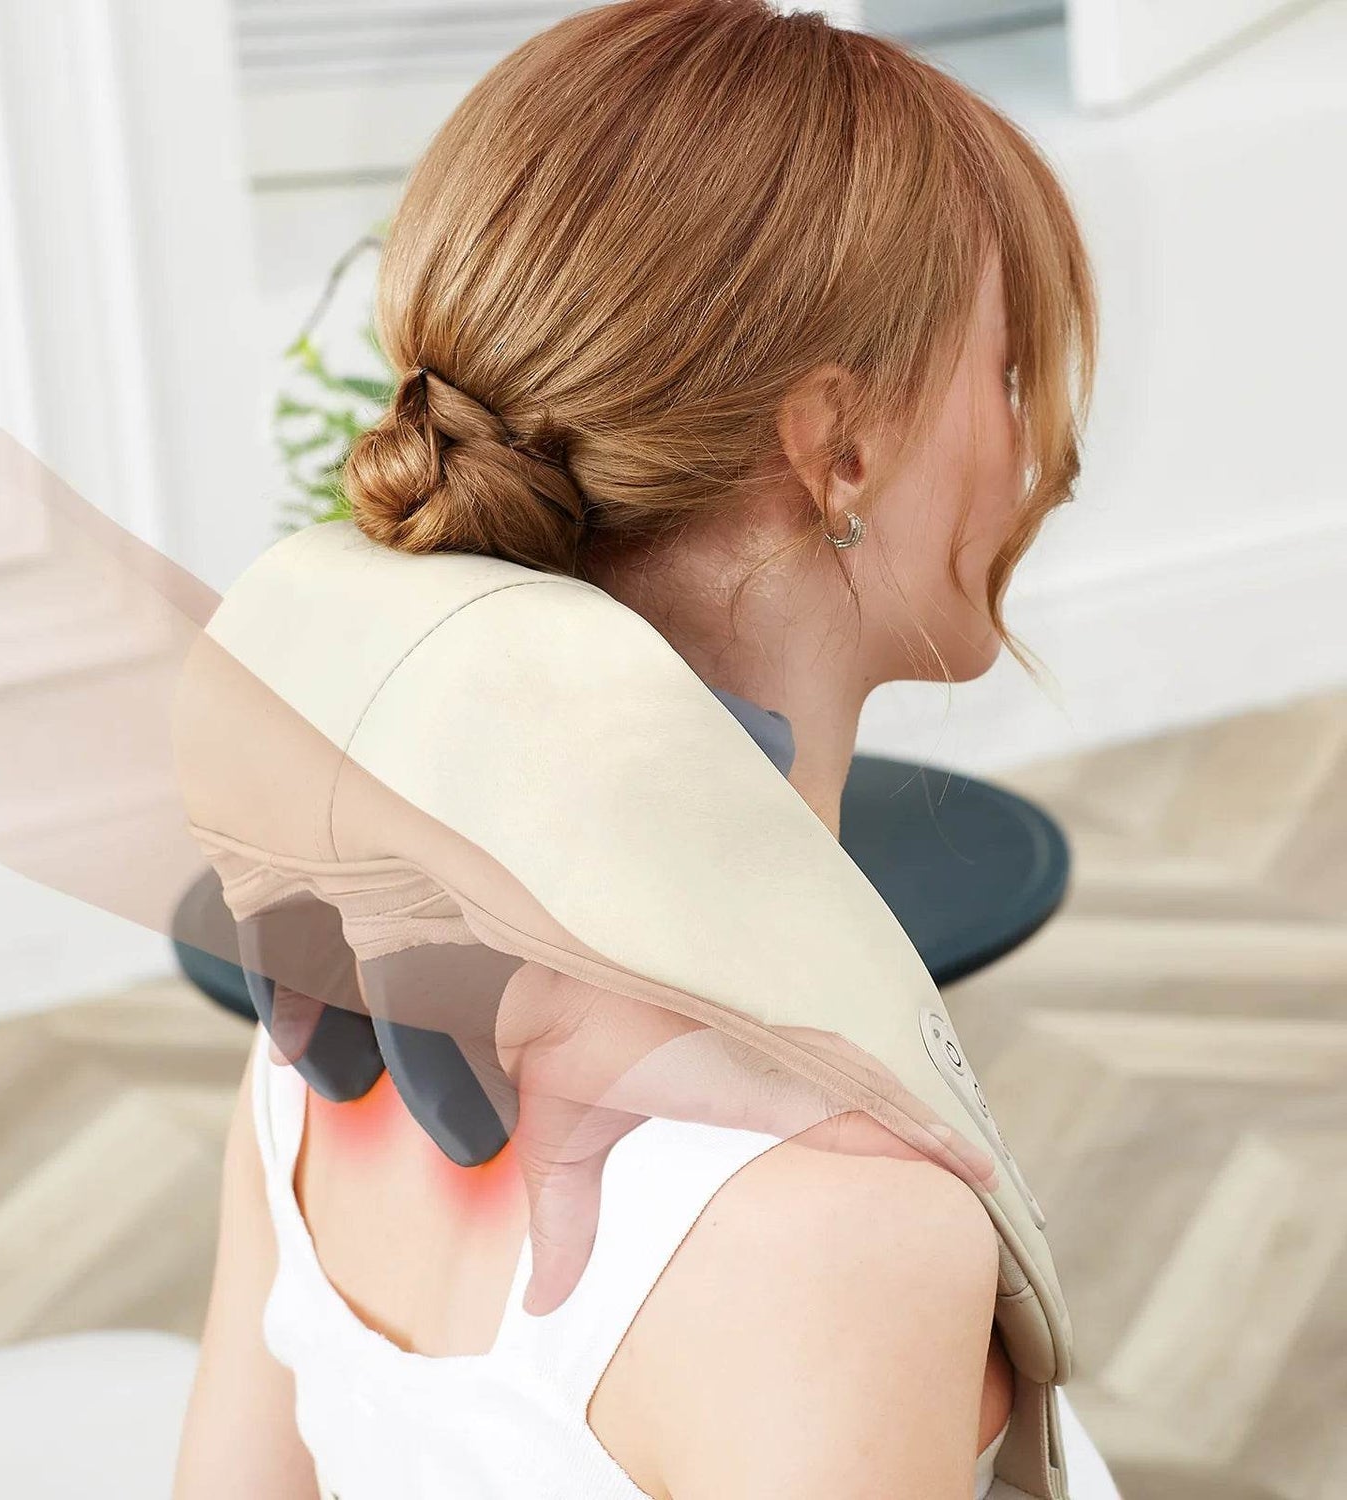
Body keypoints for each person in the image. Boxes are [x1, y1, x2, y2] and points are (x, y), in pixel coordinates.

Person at [174, 2, 1117, 1496]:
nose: (1040, 459)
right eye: (1007, 376)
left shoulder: (321, 1043)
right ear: (840, 450)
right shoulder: (840, 1232)